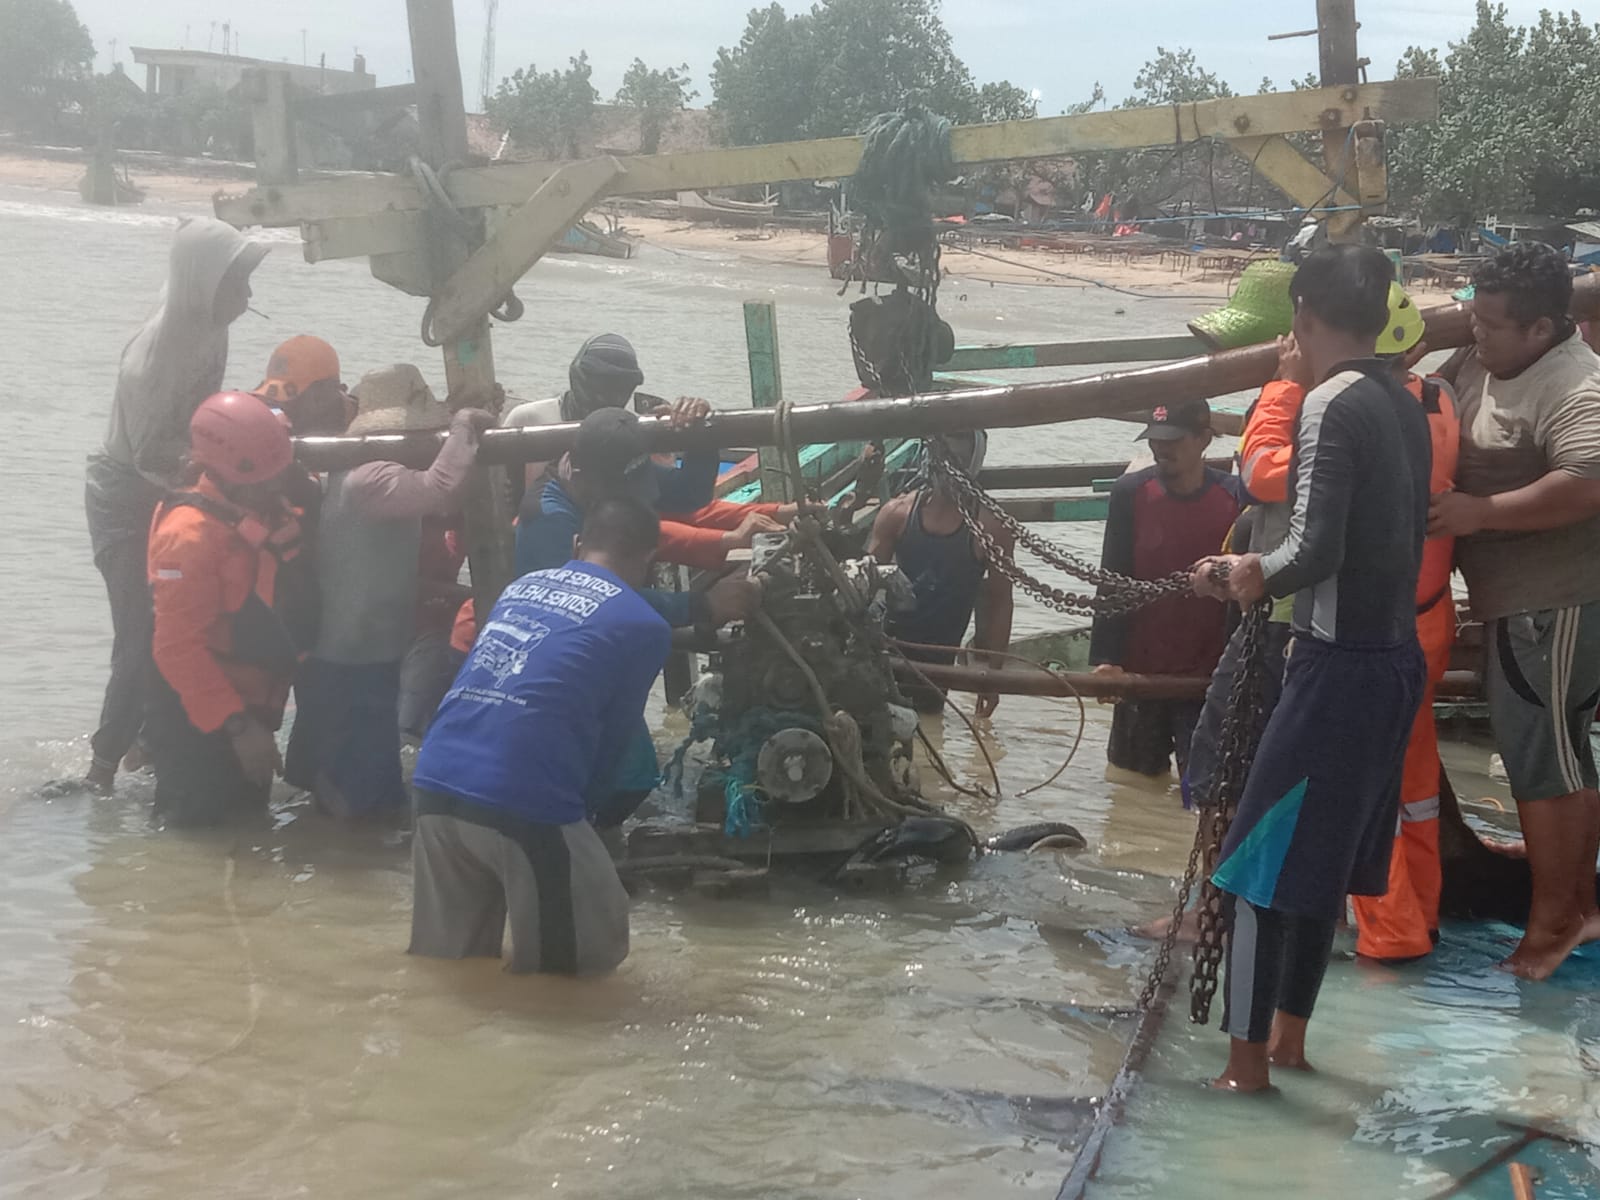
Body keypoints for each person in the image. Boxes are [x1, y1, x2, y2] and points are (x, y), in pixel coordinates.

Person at [1192, 245, 1431, 1093]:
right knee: (1320, 867)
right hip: (1396, 661)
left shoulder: (1329, 402)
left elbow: (1314, 544)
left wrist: (1249, 574)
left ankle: (1245, 1069)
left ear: (1301, 313)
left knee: (1256, 866)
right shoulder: (1407, 398)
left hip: (1336, 667)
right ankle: (1290, 1043)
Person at [1234, 284, 1460, 963]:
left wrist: (1281, 390)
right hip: (1423, 620)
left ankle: (1389, 933)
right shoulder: (1436, 403)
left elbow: (1261, 474)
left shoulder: (1353, 415)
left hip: (1361, 629)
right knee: (1412, 788)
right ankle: (1424, 917)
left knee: (1364, 789)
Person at [408, 499, 677, 975]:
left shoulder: (521, 587)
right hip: (524, 800)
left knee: (449, 971)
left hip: (434, 782)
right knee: (577, 971)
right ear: (648, 560)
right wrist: (587, 818)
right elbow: (614, 739)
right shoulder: (643, 624)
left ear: (576, 545)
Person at [1429, 241, 1600, 980]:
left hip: (1555, 603)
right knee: (1555, 753)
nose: (1478, 335)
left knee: (1544, 761)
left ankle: (1556, 921)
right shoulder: (1480, 358)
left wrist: (1478, 512)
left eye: (1493, 326)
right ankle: (1574, 900)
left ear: (1541, 328)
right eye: (1473, 320)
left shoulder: (1576, 385)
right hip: (1512, 604)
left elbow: (1587, 483)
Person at [80, 216, 268, 793]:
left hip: (173, 480)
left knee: (191, 616)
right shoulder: (154, 361)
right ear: (206, 286)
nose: (249, 295)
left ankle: (149, 742)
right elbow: (149, 455)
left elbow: (203, 415)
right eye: (239, 282)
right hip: (125, 493)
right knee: (140, 632)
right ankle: (102, 768)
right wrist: (224, 497)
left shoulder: (209, 319)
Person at [512, 406, 764, 828]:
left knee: (633, 772)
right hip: (556, 658)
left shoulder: (610, 478)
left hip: (590, 656)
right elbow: (599, 599)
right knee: (626, 774)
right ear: (579, 473)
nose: (627, 500)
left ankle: (585, 833)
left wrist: (699, 433)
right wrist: (699, 606)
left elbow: (690, 492)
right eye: (619, 490)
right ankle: (584, 838)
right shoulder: (547, 518)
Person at [283, 364, 491, 820]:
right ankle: (345, 866)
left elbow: (447, 494)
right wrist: (463, 426)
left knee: (357, 787)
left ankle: (325, 859)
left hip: (359, 648)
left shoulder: (360, 473)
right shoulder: (374, 477)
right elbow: (441, 487)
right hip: (352, 657)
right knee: (360, 800)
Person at [145, 392, 315, 827]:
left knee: (248, 836)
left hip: (250, 707)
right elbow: (176, 650)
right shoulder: (188, 537)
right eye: (267, 477)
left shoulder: (257, 508)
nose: (278, 484)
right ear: (229, 470)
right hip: (204, 719)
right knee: (198, 848)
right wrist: (238, 729)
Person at [1088, 399, 1243, 782]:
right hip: (1141, 677)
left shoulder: (1236, 499)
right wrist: (1107, 658)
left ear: (1204, 439)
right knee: (1132, 792)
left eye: (1174, 439)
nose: (1163, 449)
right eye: (1156, 439)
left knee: (1202, 792)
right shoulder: (1130, 493)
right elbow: (1113, 578)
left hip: (1207, 681)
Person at [868, 431, 1014, 717]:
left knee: (927, 721)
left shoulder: (990, 527)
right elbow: (862, 585)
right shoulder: (896, 514)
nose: (948, 467)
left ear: (972, 464)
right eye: (943, 457)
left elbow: (999, 601)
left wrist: (993, 677)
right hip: (886, 656)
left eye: (958, 460)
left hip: (937, 668)